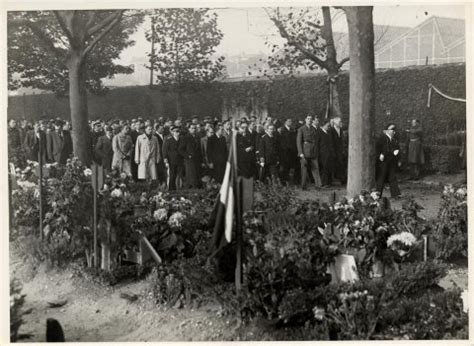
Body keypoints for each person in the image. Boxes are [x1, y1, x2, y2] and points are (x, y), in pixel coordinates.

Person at [376, 123, 402, 198]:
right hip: (383, 162)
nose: (394, 132)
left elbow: (397, 149)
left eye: (395, 130)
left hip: (391, 161)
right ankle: (378, 194)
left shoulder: (394, 140)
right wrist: (380, 154)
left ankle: (395, 194)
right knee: (381, 177)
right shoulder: (382, 138)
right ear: (386, 131)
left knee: (392, 177)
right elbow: (377, 148)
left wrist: (398, 156)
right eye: (392, 130)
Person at [296, 115, 321, 190]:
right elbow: (298, 142)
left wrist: (317, 151)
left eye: (311, 119)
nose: (309, 120)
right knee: (304, 169)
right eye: (308, 119)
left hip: (313, 151)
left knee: (315, 168)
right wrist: (300, 153)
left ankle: (318, 185)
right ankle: (303, 186)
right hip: (305, 151)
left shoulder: (314, 129)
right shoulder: (301, 129)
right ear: (305, 120)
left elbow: (317, 141)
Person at [162, 126, 185, 191]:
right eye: (175, 132)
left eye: (178, 132)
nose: (177, 133)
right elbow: (165, 150)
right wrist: (165, 159)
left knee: (180, 175)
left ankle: (179, 188)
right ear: (173, 133)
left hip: (180, 160)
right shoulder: (169, 140)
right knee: (172, 175)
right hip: (171, 160)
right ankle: (171, 189)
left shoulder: (182, 140)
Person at [181, 123, 203, 188]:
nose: (194, 130)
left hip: (197, 159)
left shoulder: (197, 137)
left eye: (195, 128)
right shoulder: (185, 137)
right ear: (189, 129)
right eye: (192, 128)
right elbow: (181, 149)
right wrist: (187, 155)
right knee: (191, 175)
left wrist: (201, 159)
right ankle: (191, 189)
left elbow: (199, 149)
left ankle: (197, 188)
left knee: (197, 174)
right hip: (189, 159)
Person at [279, 118, 299, 185]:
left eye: (291, 121)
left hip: (292, 152)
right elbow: (281, 142)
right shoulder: (282, 130)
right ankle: (283, 182)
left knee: (290, 167)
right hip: (284, 152)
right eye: (289, 121)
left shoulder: (292, 130)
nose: (290, 122)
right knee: (284, 168)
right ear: (285, 122)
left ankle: (289, 181)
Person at [318, 119, 336, 187]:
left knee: (329, 168)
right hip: (322, 154)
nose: (328, 127)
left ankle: (328, 182)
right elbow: (317, 144)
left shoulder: (329, 133)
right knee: (323, 168)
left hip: (329, 154)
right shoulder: (319, 133)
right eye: (327, 126)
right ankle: (323, 183)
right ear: (323, 125)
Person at [330, 116, 346, 185]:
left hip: (341, 151)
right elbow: (331, 142)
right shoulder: (331, 130)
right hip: (334, 151)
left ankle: (342, 179)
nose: (341, 123)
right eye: (339, 122)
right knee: (334, 166)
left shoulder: (341, 130)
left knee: (341, 165)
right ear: (335, 123)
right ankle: (334, 179)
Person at [154, 122, 167, 187]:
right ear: (157, 129)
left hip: (164, 155)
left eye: (163, 128)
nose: (163, 130)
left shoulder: (165, 136)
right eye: (161, 129)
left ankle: (164, 183)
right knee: (159, 170)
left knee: (164, 170)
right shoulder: (154, 136)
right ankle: (161, 183)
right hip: (158, 155)